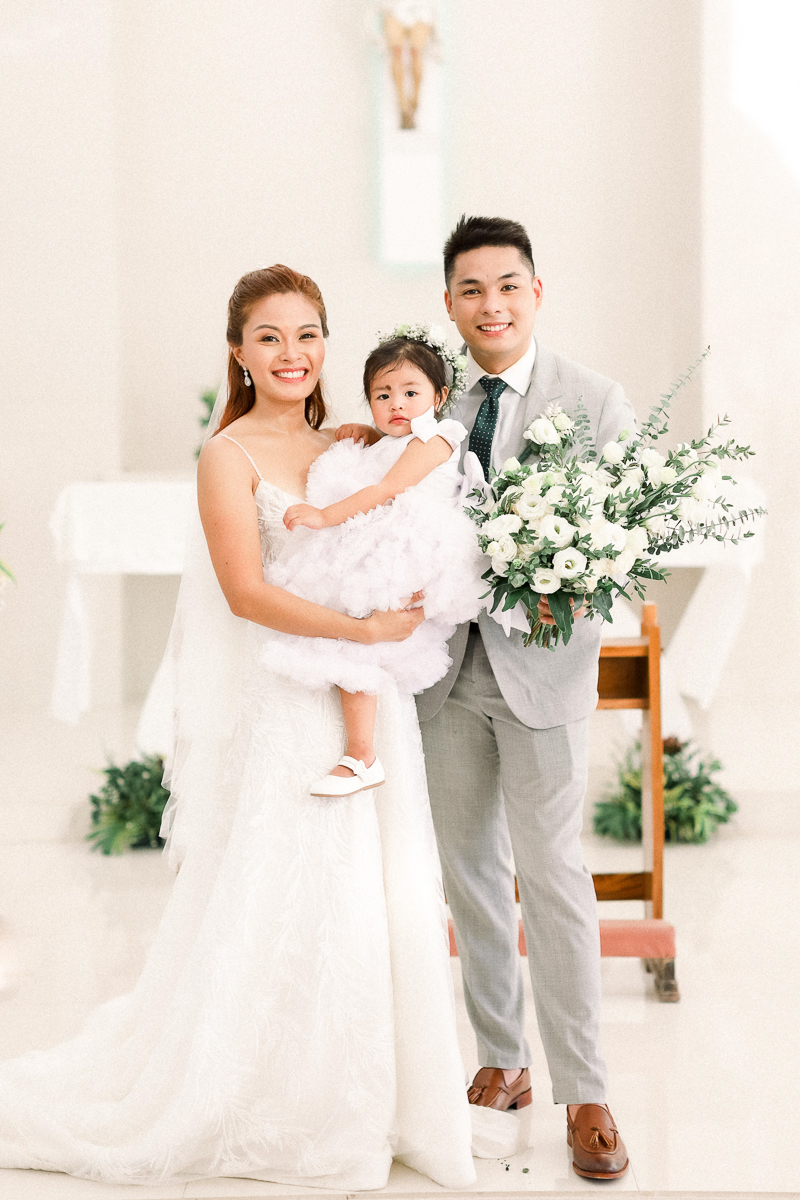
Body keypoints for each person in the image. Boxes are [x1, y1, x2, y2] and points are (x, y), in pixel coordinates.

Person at [0, 265, 513, 1188]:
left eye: (307, 334)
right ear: (238, 351)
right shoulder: (227, 456)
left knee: (379, 893)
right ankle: (277, 1100)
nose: (291, 353)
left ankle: (386, 1097)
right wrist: (364, 632)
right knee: (291, 890)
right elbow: (246, 593)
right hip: (291, 695)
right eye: (270, 337)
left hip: (370, 695)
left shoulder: (352, 441)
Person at [340, 216, 635, 1181]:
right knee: (468, 870)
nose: (491, 305)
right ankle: (503, 1062)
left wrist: (565, 579)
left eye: (507, 286)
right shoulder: (430, 400)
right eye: (471, 289)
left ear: (535, 292)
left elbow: (627, 541)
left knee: (552, 874)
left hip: (542, 672)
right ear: (450, 302)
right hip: (442, 672)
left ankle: (585, 1089)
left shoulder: (593, 400)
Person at [259, 328, 484, 797]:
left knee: (358, 636)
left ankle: (362, 755)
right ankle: (360, 752)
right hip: (388, 540)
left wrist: (323, 516)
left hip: (412, 547)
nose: (396, 404)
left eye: (410, 393)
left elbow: (387, 488)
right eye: (382, 395)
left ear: (440, 397)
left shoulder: (438, 437)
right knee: (350, 634)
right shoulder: (400, 437)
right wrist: (370, 435)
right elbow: (388, 454)